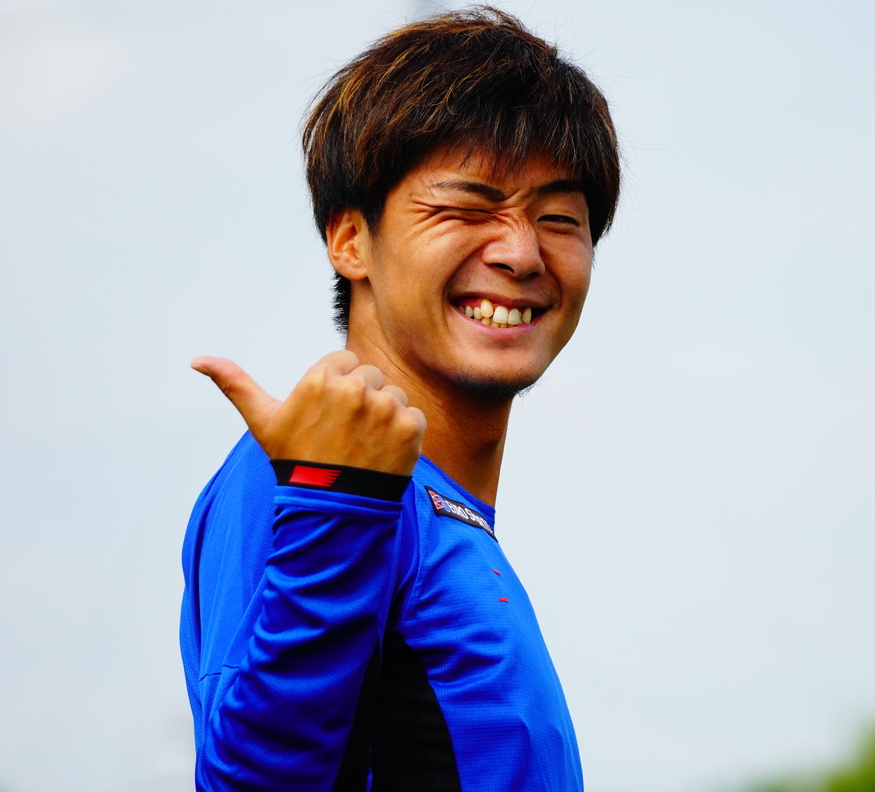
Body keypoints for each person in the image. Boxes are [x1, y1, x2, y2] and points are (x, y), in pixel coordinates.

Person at [179, 7, 620, 791]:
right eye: (465, 210)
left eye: (559, 219)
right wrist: (333, 494)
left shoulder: (444, 517)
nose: (521, 254)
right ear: (350, 240)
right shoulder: (304, 477)